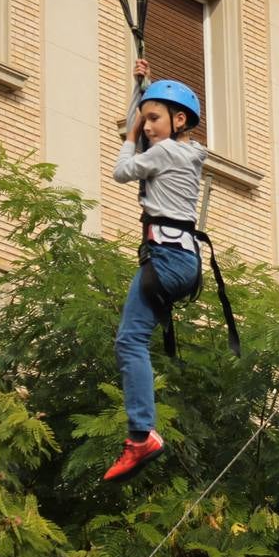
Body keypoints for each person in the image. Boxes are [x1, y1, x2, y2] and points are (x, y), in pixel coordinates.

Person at [103, 59, 206, 482]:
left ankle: (141, 435)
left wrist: (130, 131)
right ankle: (140, 433)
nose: (145, 127)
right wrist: (140, 88)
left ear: (178, 120)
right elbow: (143, 138)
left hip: (165, 259)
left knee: (129, 341)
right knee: (133, 340)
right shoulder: (184, 152)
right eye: (145, 120)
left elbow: (123, 169)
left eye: (154, 118)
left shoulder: (164, 151)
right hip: (183, 261)